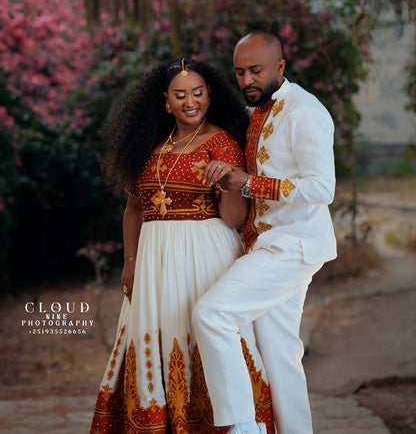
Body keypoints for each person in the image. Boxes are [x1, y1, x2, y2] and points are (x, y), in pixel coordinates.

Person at [90, 58, 275, 433]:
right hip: (152, 261)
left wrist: (227, 182)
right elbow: (134, 206)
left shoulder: (222, 141)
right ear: (166, 101)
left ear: (209, 95)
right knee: (153, 339)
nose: (191, 102)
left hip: (204, 255)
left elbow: (235, 220)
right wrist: (130, 261)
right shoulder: (148, 147)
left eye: (198, 93)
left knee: (201, 334)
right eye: (181, 95)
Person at [192, 31, 337, 434]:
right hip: (267, 242)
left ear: (280, 67)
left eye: (256, 70)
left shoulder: (304, 111)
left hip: (292, 244)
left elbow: (322, 188)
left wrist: (249, 184)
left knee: (213, 314)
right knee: (280, 357)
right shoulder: (256, 112)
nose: (247, 80)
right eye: (240, 72)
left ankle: (243, 426)